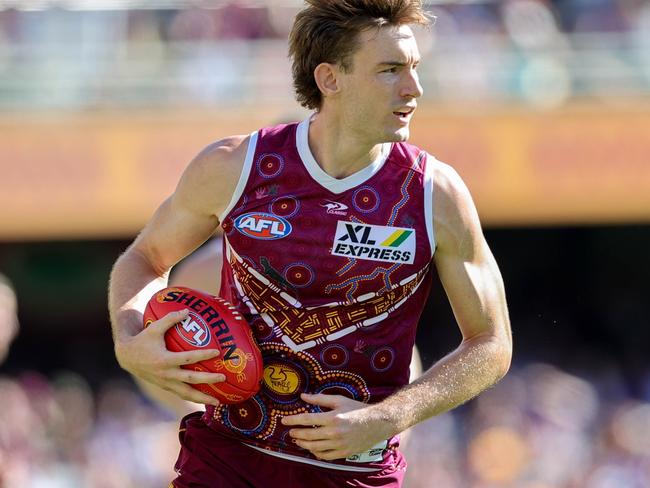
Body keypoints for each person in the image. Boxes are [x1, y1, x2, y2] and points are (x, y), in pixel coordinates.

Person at [108, 0, 512, 485]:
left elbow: (492, 343)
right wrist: (129, 340)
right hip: (225, 459)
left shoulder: (435, 194)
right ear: (330, 78)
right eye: (389, 70)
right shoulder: (234, 166)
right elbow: (146, 257)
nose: (414, 88)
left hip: (353, 475)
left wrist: (387, 419)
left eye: (414, 68)